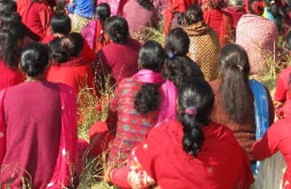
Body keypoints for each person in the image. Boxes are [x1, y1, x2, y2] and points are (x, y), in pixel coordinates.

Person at [124, 78, 254, 189]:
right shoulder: (226, 139)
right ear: (211, 108)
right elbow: (241, 179)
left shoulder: (160, 137)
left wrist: (111, 174)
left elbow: (135, 178)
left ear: (177, 105)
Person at [0, 43, 79, 189]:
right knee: (82, 146)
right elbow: (69, 141)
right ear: (48, 65)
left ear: (21, 67)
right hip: (53, 180)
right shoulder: (65, 94)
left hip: (11, 180)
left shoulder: (3, 97)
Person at [104, 41, 177, 184]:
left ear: (139, 63)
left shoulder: (125, 84)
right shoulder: (170, 91)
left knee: (98, 130)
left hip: (119, 165)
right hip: (154, 169)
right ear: (163, 65)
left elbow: (110, 122)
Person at [209, 44, 273, 163]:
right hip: (254, 158)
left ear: (221, 68)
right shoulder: (260, 91)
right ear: (246, 67)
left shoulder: (210, 90)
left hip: (221, 159)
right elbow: (269, 123)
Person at [235, 0, 280, 78]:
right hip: (266, 67)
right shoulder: (270, 25)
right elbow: (276, 45)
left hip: (244, 66)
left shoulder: (241, 22)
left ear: (248, 8)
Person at [93, 16, 141, 91]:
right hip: (139, 88)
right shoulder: (137, 44)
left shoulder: (105, 53)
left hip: (119, 94)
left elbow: (96, 76)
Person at [183, 5, 221, 81]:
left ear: (186, 20)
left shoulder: (185, 36)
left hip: (196, 82)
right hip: (214, 77)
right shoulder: (212, 31)